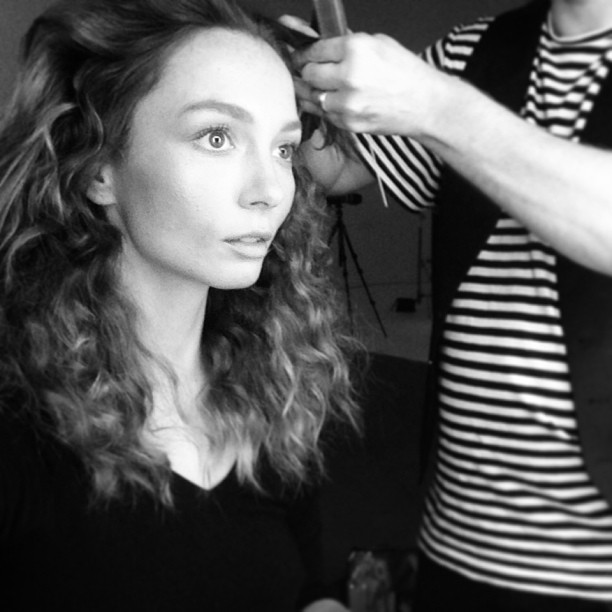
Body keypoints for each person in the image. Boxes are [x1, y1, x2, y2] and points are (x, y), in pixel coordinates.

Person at [0, 0, 361, 610]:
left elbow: (308, 592)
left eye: (283, 148)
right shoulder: (19, 430)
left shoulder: (272, 389)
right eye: (216, 137)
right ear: (99, 169)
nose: (270, 190)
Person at [284, 0, 612, 610]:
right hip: (455, 541)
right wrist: (295, 92)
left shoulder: (436, 89)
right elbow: (336, 168)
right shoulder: (470, 52)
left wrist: (434, 106)